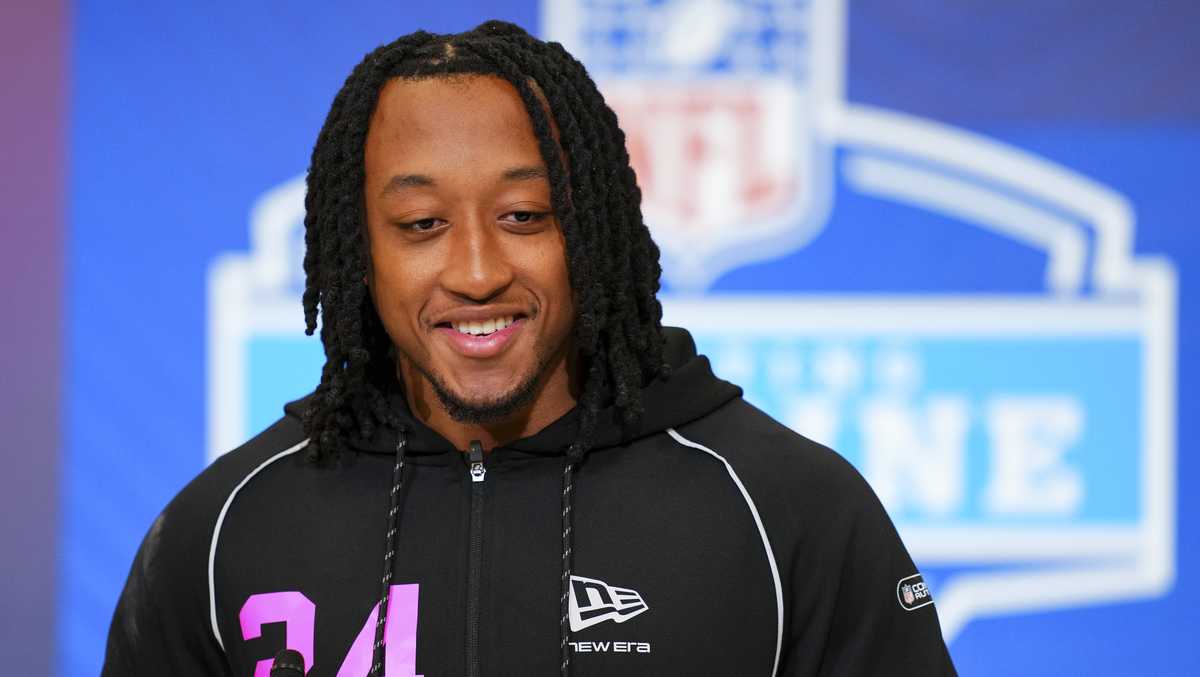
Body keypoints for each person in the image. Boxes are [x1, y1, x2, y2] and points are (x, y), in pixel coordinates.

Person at [103, 21, 956, 677]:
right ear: (360, 252)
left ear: (590, 232)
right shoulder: (224, 531)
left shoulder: (788, 511)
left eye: (524, 216)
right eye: (421, 224)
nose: (477, 272)